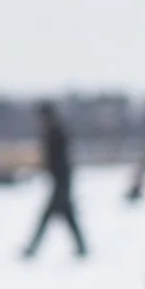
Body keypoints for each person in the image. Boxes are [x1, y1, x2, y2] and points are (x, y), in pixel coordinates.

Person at [22, 102, 87, 257]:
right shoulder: (54, 133)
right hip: (59, 182)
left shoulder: (56, 134)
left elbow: (56, 160)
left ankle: (32, 248)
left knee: (48, 217)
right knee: (68, 217)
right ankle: (81, 248)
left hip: (61, 183)